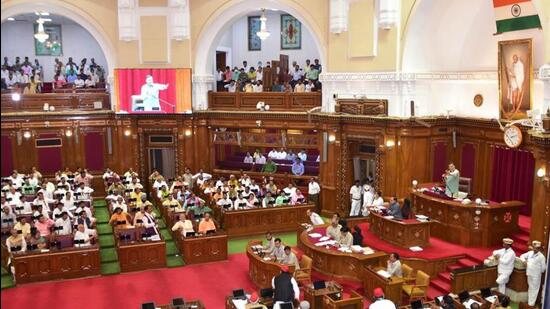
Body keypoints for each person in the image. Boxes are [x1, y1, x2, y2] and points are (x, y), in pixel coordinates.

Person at [519, 240, 546, 306]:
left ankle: (531, 305)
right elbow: (522, 256)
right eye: (533, 247)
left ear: (539, 248)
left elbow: (543, 269)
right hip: (529, 274)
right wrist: (524, 261)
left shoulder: (541, 257)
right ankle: (529, 303)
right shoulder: (530, 252)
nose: (534, 249)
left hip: (536, 276)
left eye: (536, 248)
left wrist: (536, 270)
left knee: (534, 290)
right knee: (530, 288)